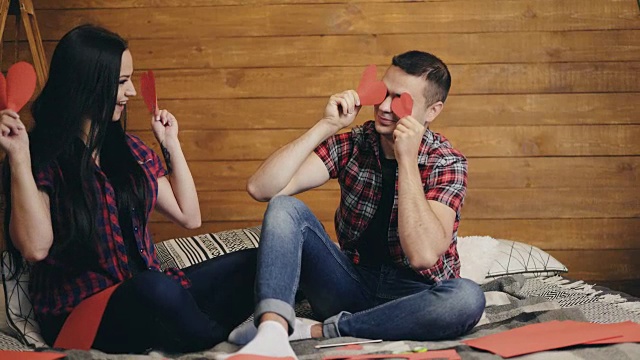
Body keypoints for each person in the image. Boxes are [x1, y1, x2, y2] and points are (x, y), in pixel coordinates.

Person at [0, 24, 256, 354]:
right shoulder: (44, 155)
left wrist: (171, 145)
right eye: (122, 82)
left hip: (148, 294)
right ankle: (221, 342)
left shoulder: (128, 150)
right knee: (153, 288)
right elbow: (35, 248)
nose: (131, 92)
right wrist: (19, 157)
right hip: (82, 317)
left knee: (258, 261)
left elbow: (189, 216)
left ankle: (202, 331)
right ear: (89, 84)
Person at [227, 51, 486, 358]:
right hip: (350, 283)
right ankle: (272, 333)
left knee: (467, 298)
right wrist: (327, 124)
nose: (386, 107)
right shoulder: (355, 143)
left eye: (400, 99)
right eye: (383, 93)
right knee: (285, 206)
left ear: (432, 110)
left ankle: (316, 330)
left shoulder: (446, 162)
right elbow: (261, 188)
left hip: (414, 294)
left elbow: (422, 256)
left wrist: (406, 159)